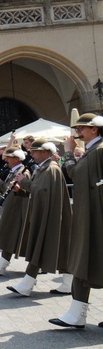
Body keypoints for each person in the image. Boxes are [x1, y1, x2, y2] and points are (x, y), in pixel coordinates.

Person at [50, 113, 103, 329]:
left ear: (95, 130)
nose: (77, 132)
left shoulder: (98, 151)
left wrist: (69, 152)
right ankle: (76, 313)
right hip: (90, 214)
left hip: (95, 215)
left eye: (82, 128)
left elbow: (75, 174)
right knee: (86, 259)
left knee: (87, 259)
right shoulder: (94, 150)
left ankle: (77, 313)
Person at [7, 139, 72, 296]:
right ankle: (68, 283)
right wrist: (24, 186)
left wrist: (25, 182)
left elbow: (42, 191)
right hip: (44, 213)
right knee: (57, 248)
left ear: (44, 152)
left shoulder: (51, 169)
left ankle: (27, 284)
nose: (31, 154)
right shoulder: (44, 168)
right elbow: (38, 190)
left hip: (49, 215)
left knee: (44, 247)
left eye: (34, 151)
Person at [0, 146, 31, 276]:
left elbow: (19, 189)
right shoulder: (13, 171)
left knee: (13, 236)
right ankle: (2, 263)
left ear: (16, 159)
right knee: (11, 236)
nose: (6, 160)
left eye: (8, 158)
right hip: (12, 207)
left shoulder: (22, 172)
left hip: (18, 208)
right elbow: (7, 189)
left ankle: (3, 264)